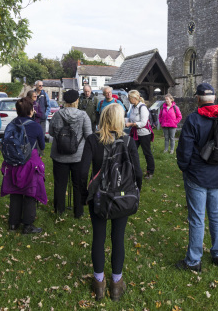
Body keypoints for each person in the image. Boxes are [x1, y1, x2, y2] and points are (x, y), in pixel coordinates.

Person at [79, 103, 142, 301]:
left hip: (99, 197)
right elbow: (138, 172)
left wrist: (84, 195)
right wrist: (136, 191)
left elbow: (82, 171)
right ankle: (116, 283)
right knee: (118, 238)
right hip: (122, 197)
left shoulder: (92, 140)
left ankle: (99, 282)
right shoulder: (128, 141)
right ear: (120, 120)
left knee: (98, 238)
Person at [175, 82, 218, 272]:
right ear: (214, 98)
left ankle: (193, 260)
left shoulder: (193, 119)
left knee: (197, 218)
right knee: (216, 215)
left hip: (197, 175)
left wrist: (184, 168)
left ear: (198, 99)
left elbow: (185, 149)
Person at [0, 97, 47, 233]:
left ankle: (13, 223)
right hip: (30, 162)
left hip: (13, 161)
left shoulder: (11, 124)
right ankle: (28, 225)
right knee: (30, 193)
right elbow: (42, 145)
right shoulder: (36, 126)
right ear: (31, 111)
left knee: (15, 193)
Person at [49, 89, 93, 218]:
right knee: (78, 184)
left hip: (59, 155)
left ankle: (59, 210)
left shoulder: (57, 115)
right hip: (78, 156)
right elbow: (89, 136)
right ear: (76, 101)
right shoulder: (83, 115)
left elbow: (51, 133)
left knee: (60, 184)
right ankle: (78, 212)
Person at [125, 90, 155, 180]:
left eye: (129, 98)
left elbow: (143, 123)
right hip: (135, 133)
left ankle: (150, 171)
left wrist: (131, 124)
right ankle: (131, 169)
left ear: (134, 98)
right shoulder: (133, 107)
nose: (128, 100)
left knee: (147, 153)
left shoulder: (143, 108)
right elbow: (131, 118)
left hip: (144, 134)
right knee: (131, 151)